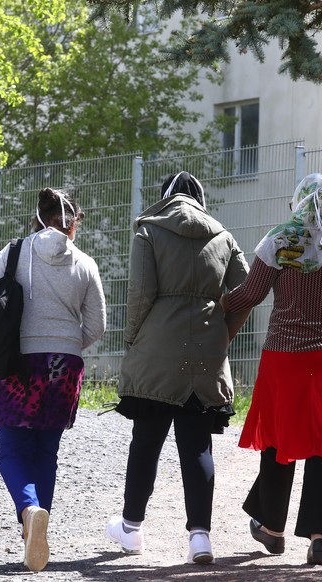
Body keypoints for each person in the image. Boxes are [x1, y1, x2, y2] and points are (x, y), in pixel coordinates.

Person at [221, 172, 322, 566]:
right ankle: (320, 537)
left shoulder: (279, 241)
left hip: (285, 358)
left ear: (297, 203)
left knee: (279, 438)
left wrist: (214, 305)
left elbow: (251, 295)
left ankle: (272, 528)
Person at [105, 171, 250, 565]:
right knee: (197, 446)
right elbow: (246, 292)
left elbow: (140, 294)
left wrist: (133, 340)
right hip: (206, 352)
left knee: (146, 443)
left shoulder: (149, 231)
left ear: (164, 196)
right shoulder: (224, 237)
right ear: (200, 198)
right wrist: (223, 332)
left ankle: (132, 529)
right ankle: (199, 538)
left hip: (155, 351)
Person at [0, 187, 106, 573]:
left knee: (11, 449)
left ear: (38, 217)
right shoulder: (86, 264)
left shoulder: (13, 253)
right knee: (46, 452)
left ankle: (29, 510)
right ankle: (36, 530)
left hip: (19, 361)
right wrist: (68, 345)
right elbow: (97, 326)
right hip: (65, 364)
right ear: (73, 222)